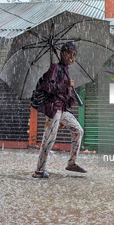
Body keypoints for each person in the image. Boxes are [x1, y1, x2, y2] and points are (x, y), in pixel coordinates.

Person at [32, 42, 87, 178]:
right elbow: (47, 87)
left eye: (74, 55)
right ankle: (39, 170)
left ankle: (71, 163)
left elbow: (65, 95)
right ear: (62, 53)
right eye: (69, 53)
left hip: (61, 109)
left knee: (78, 130)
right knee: (49, 138)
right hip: (53, 108)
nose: (72, 57)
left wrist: (68, 88)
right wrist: (64, 84)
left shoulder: (65, 70)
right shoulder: (55, 68)